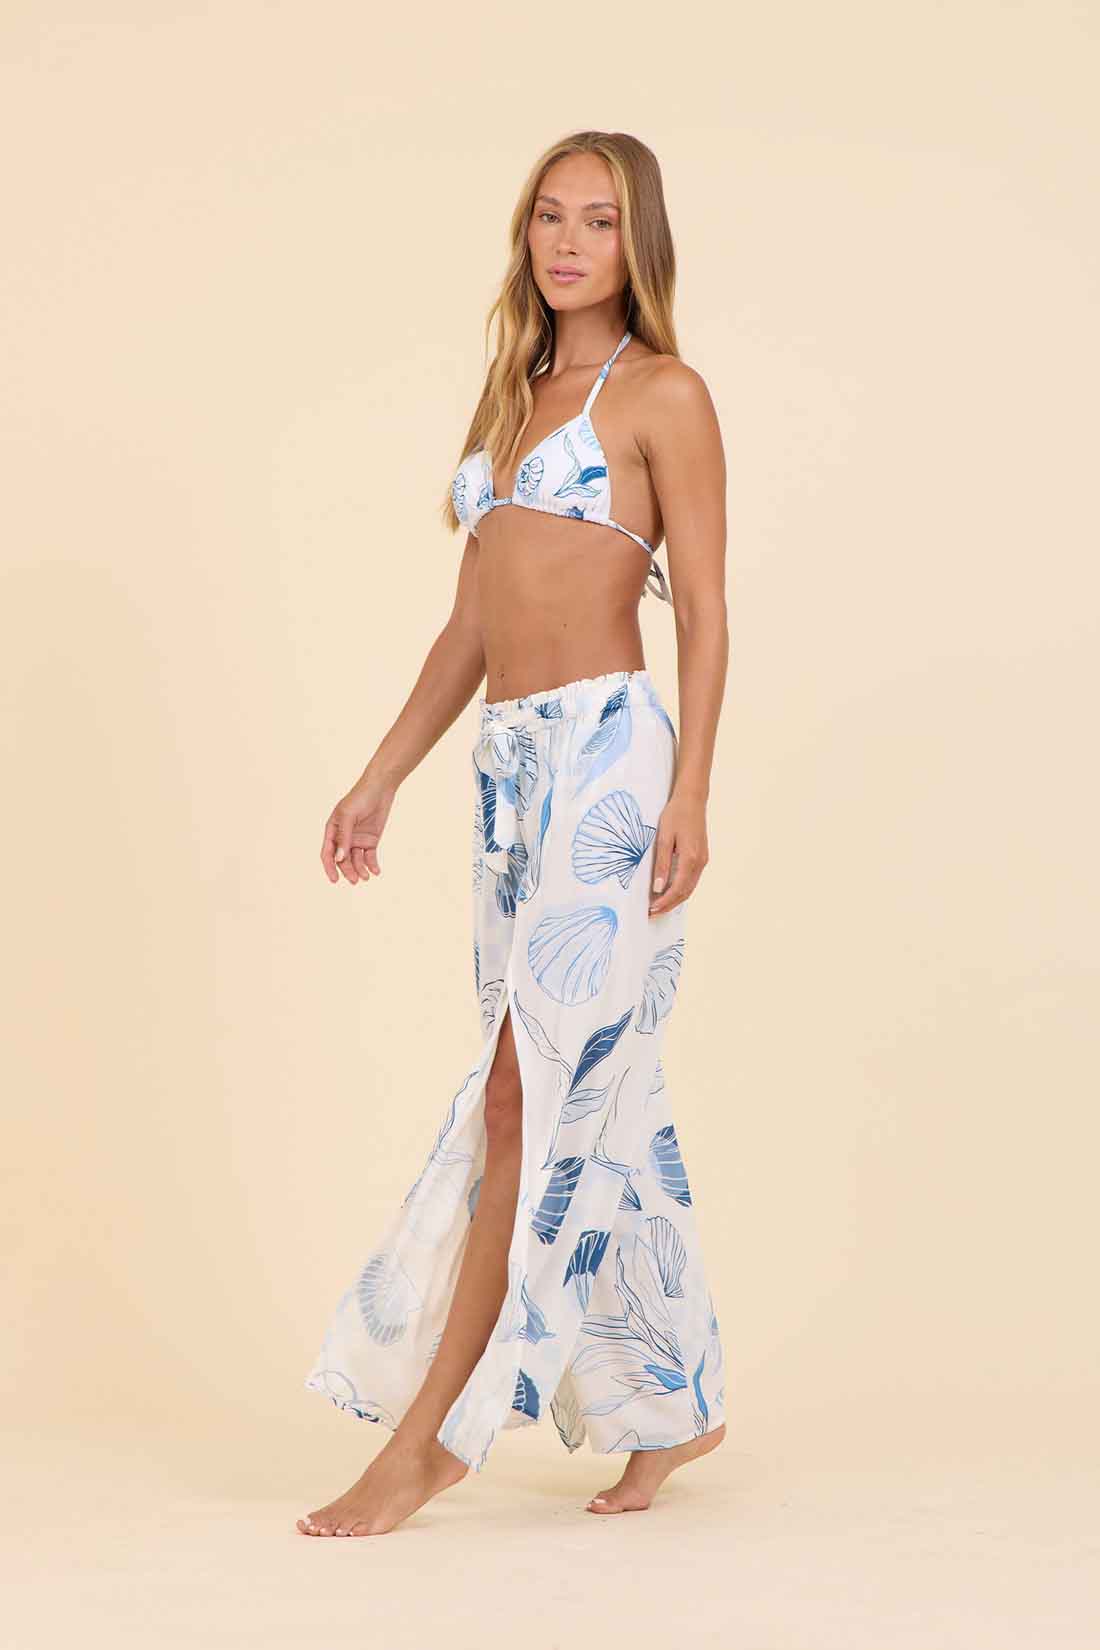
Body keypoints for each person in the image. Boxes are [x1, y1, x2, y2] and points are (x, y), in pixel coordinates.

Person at [298, 130, 729, 1538]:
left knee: (522, 1090)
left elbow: (706, 611)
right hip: (509, 775)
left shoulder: (663, 395)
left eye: (598, 221)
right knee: (606, 1089)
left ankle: (432, 1439)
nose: (567, 244)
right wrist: (381, 776)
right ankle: (674, 1403)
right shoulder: (511, 401)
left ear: (636, 242)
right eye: (549, 217)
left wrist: (690, 791)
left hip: (611, 767)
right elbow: (471, 627)